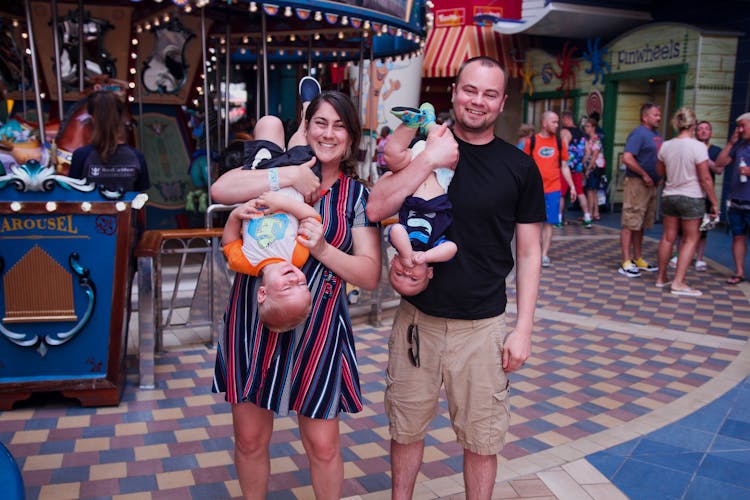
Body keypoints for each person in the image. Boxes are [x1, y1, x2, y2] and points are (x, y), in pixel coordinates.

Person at [366, 56, 545, 500]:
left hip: (483, 328)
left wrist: (523, 329)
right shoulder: (424, 150)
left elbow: (528, 251)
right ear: (454, 92)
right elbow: (376, 207)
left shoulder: (519, 168)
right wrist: (429, 159)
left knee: (482, 440)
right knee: (405, 428)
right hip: (416, 321)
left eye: (489, 94)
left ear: (502, 102)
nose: (477, 101)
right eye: (470, 90)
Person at [211, 90, 381, 500]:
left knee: (323, 445)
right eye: (319, 122)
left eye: (339, 126)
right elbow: (221, 189)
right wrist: (287, 176)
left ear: (351, 137)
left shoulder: (356, 196)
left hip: (321, 327)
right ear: (305, 127)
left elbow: (370, 274)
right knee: (249, 439)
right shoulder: (272, 171)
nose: (328, 133)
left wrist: (322, 248)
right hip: (254, 320)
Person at [221, 115, 323, 332]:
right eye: (302, 284)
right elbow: (311, 217)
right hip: (297, 184)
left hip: (264, 175)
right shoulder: (296, 256)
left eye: (287, 288)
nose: (295, 279)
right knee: (301, 139)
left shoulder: (246, 262)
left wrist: (235, 216)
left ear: (263, 293)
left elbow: (229, 243)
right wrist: (284, 203)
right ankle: (306, 112)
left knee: (270, 123)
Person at [383, 102, 458, 296]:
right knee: (443, 142)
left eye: (399, 273)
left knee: (391, 156)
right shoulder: (434, 247)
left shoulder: (401, 241)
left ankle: (413, 123)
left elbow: (396, 230)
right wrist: (424, 257)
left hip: (415, 169)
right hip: (440, 177)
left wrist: (407, 254)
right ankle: (429, 123)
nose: (407, 272)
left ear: (393, 262)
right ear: (429, 273)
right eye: (413, 278)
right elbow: (452, 248)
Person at [654, 107, 717, 297]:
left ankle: (661, 277)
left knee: (667, 237)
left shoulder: (666, 145)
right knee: (691, 239)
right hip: (692, 196)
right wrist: (714, 202)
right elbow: (706, 178)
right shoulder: (698, 147)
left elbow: (659, 172)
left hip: (669, 195)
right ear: (694, 124)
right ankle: (678, 282)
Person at [69, 90, 150, 193]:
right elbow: (139, 197)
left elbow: (72, 196)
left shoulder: (81, 155)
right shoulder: (137, 157)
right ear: (120, 118)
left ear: (92, 119)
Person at [523, 110, 576, 267]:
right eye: (554, 122)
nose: (557, 125)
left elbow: (564, 166)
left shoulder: (560, 143)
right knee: (534, 222)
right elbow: (524, 165)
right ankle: (534, 251)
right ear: (544, 123)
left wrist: (572, 186)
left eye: (558, 122)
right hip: (534, 189)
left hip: (554, 188)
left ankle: (544, 254)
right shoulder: (531, 141)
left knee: (549, 222)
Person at [618, 102, 663, 278]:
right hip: (637, 184)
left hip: (652, 185)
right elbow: (627, 158)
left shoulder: (656, 135)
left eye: (659, 115)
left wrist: (659, 177)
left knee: (641, 222)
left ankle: (638, 258)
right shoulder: (638, 134)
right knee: (630, 220)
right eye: (655, 115)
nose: (659, 118)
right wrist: (644, 174)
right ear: (645, 117)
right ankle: (626, 261)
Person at [716, 111, 750, 285]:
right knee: (738, 236)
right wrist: (730, 143)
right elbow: (720, 163)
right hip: (737, 200)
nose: (740, 129)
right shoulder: (739, 145)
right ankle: (739, 272)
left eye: (743, 126)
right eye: (739, 126)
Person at [560, 110, 591, 227]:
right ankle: (587, 218)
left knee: (562, 193)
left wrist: (565, 162)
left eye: (562, 120)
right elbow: (588, 152)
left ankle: (558, 219)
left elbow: (564, 148)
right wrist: (580, 163)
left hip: (566, 167)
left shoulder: (565, 131)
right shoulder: (582, 133)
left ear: (566, 119)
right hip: (577, 168)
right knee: (580, 192)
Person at [583, 117, 606, 221]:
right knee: (594, 190)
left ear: (593, 127)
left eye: (588, 126)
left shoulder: (596, 139)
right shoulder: (591, 139)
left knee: (590, 190)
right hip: (594, 166)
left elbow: (594, 156)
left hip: (594, 167)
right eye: (585, 126)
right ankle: (596, 212)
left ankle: (591, 213)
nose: (586, 128)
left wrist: (587, 169)